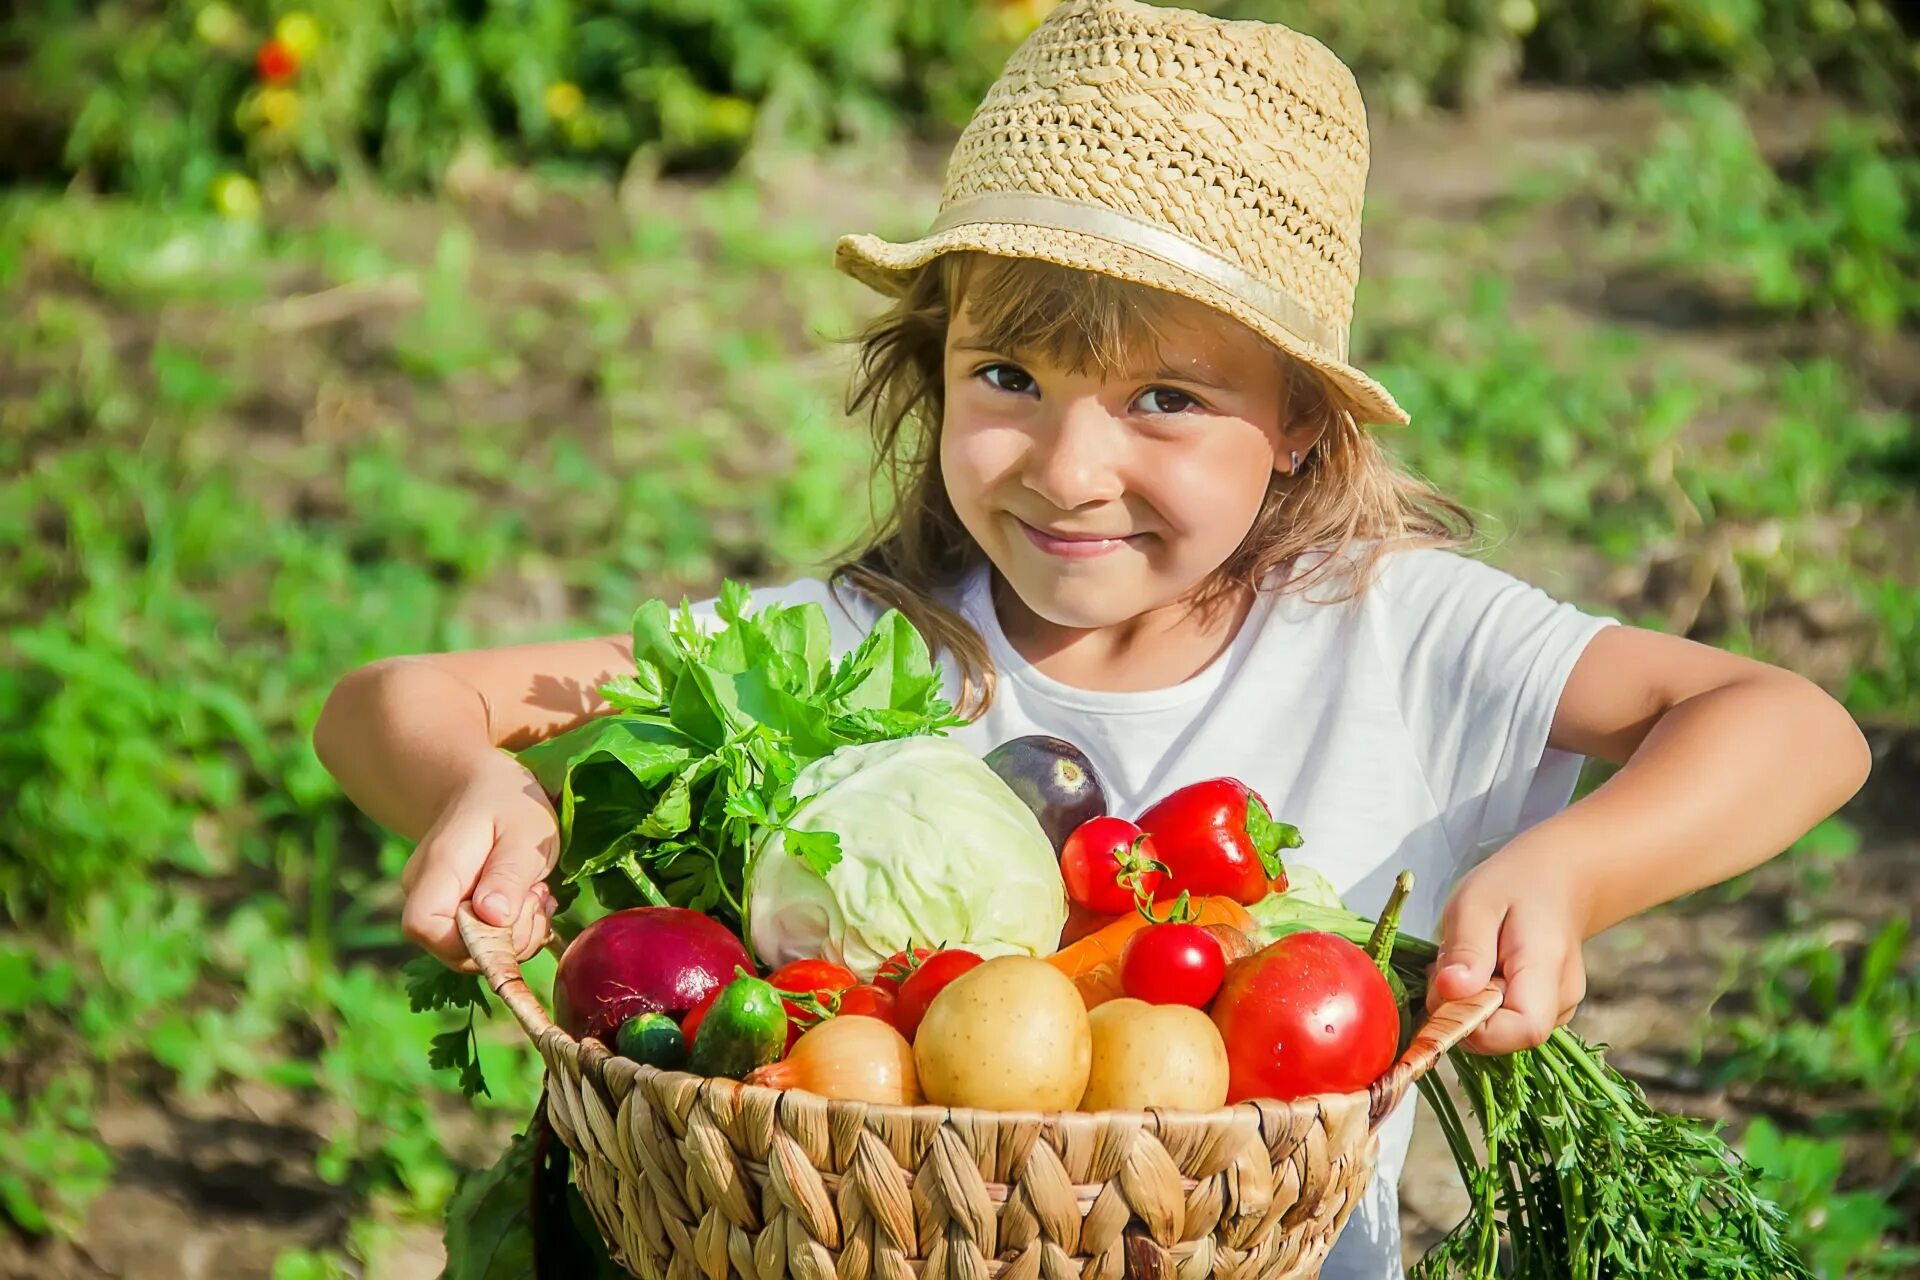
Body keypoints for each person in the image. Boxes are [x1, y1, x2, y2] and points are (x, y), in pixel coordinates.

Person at [313, 2, 1871, 1275]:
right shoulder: (850, 654)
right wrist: (490, 787)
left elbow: (1794, 723)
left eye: (1166, 402)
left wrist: (1568, 870)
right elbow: (399, 699)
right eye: (1007, 381)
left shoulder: (1399, 639)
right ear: (931, 376)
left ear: (1301, 431)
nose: (1067, 471)